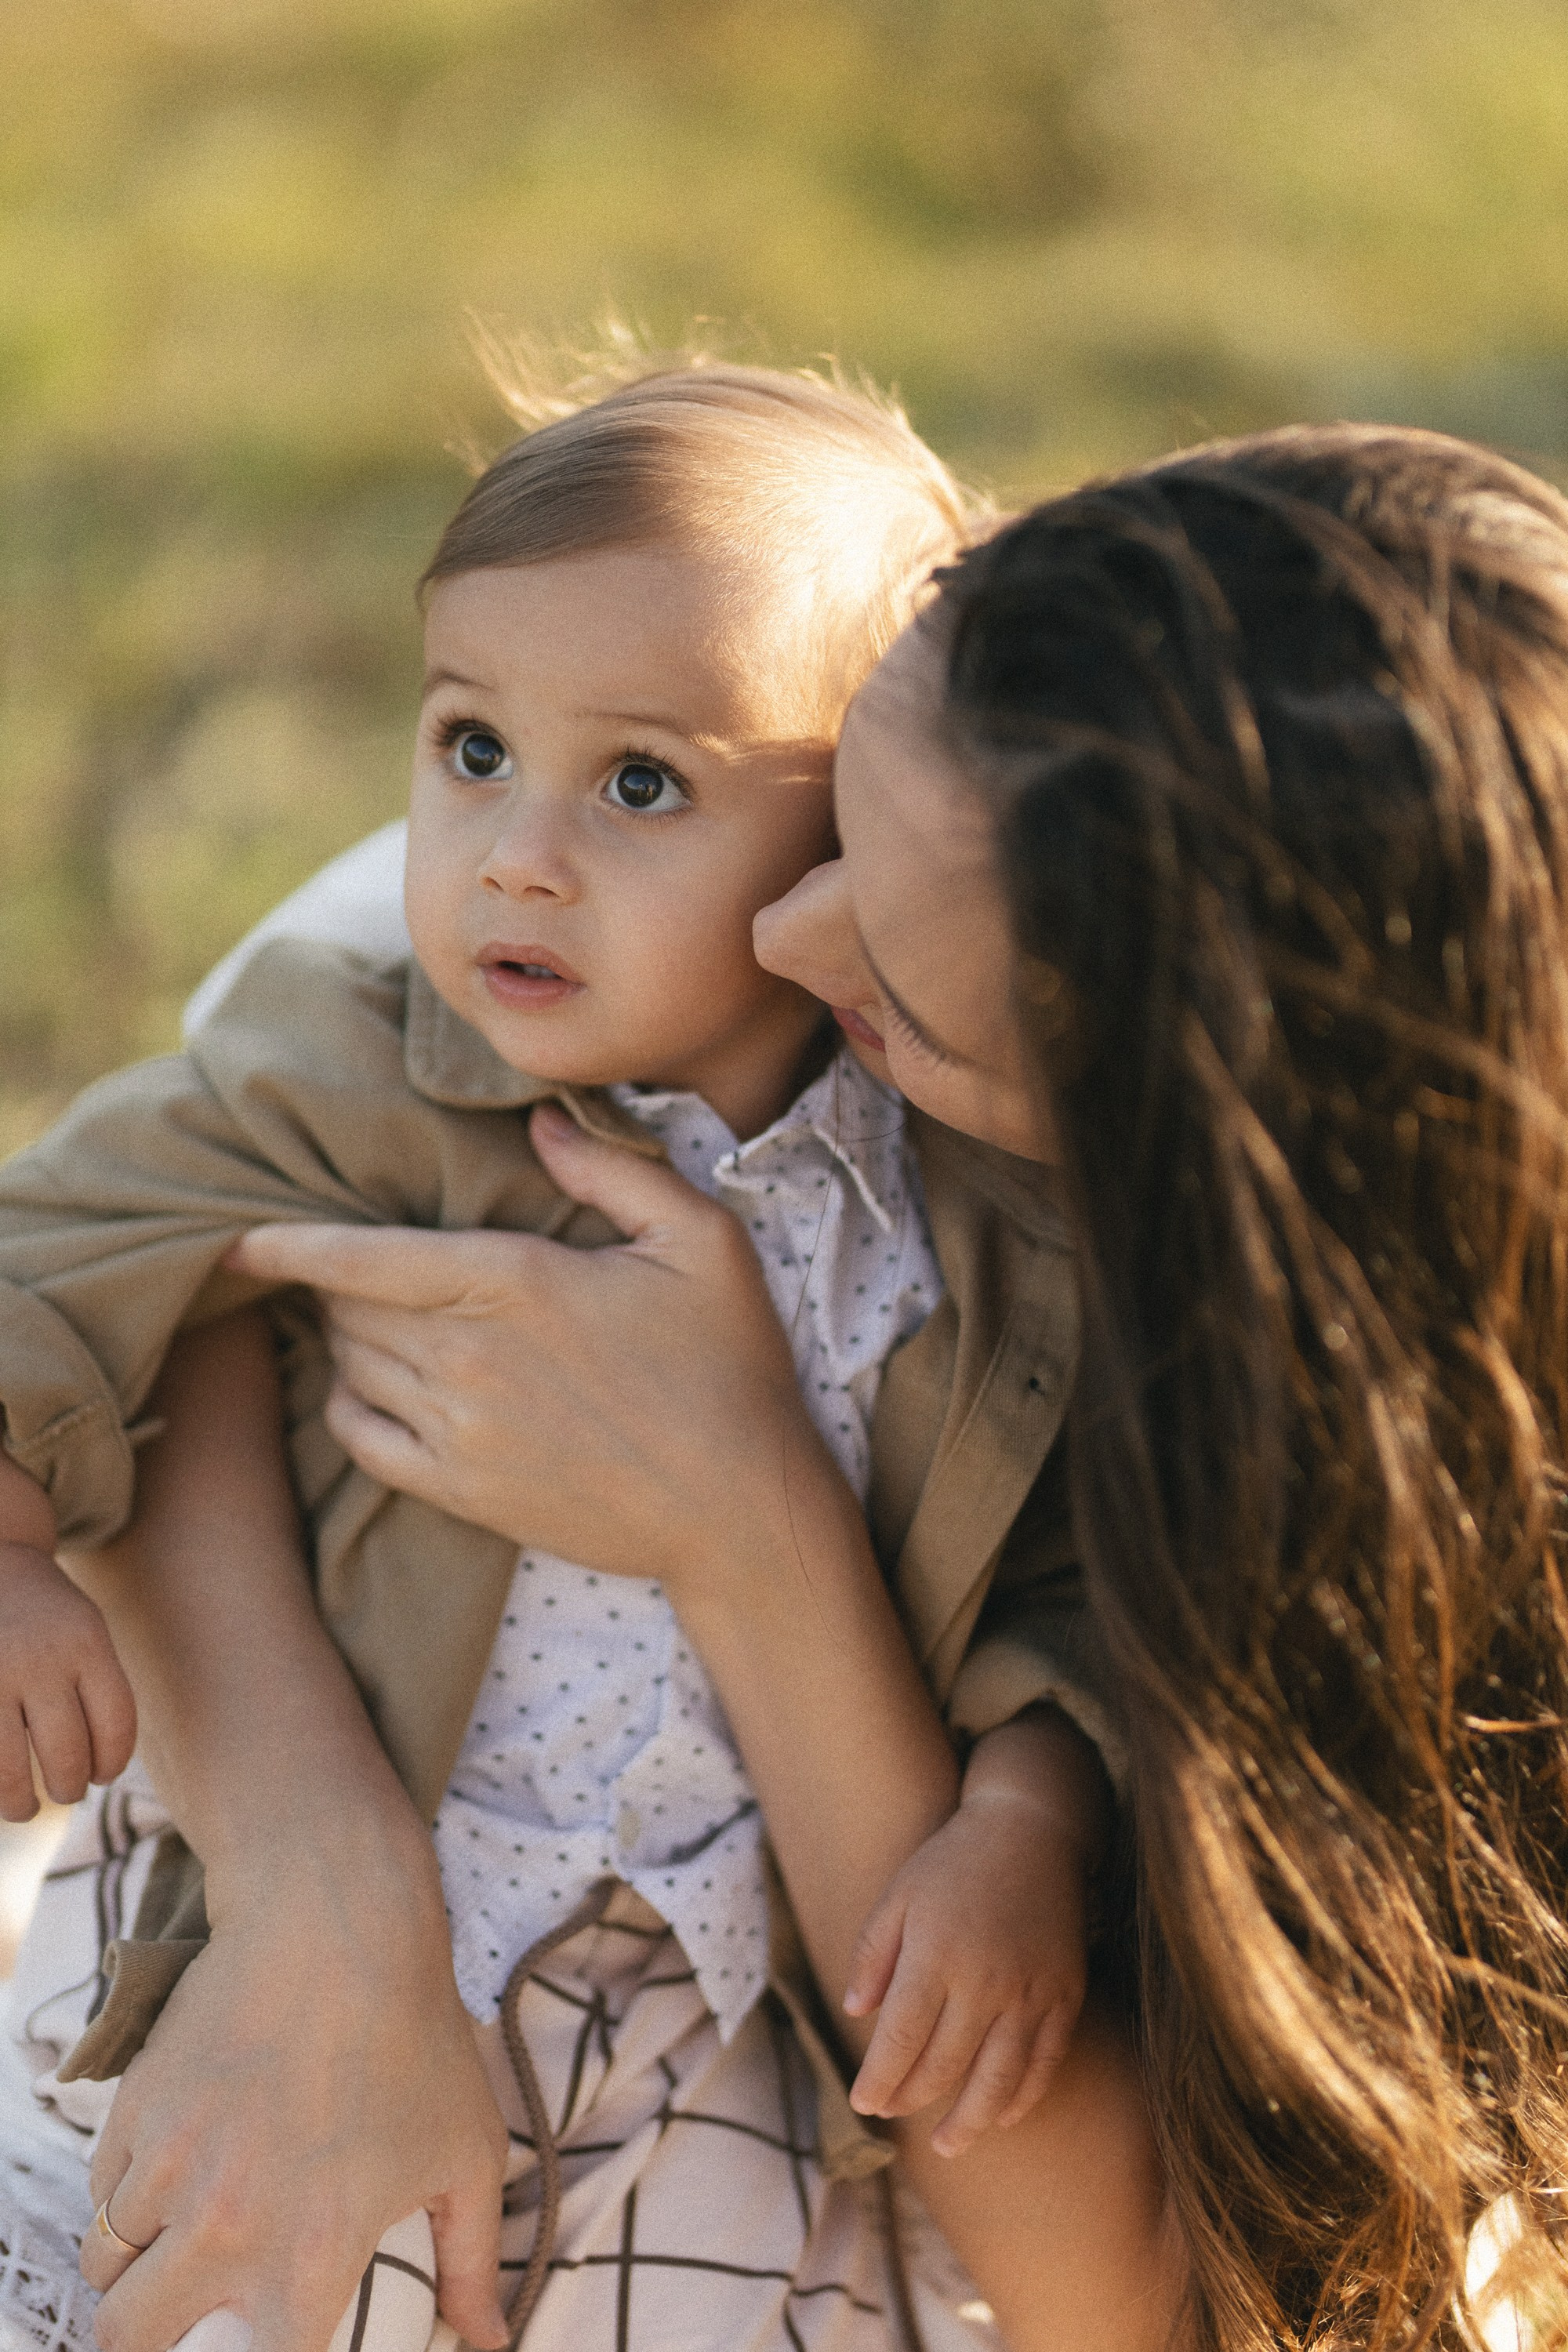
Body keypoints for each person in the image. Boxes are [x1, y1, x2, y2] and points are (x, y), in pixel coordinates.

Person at [202, 420, 1568, 2348]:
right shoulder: (579, 861)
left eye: (900, 1008)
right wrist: (313, 1887)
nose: (779, 937)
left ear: (1141, 1186)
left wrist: (745, 1524)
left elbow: (1144, 2313)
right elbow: (188, 1294)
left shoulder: (1374, 1585)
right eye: (840, 812)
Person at [0, 359, 1149, 2352]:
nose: (517, 855)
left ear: (848, 820)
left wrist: (1026, 1822)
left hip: (704, 2019)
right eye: (468, 746)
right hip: (306, 1919)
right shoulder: (368, 1058)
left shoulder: (978, 1214)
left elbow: (1068, 1574)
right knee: (161, 2283)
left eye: (639, 784)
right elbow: (70, 1233)